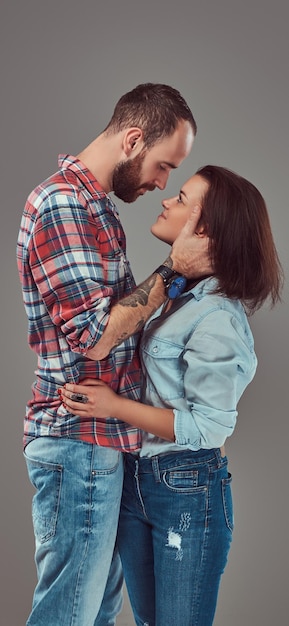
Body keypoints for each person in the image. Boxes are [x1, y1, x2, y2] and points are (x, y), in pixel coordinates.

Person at [16, 83, 212, 626]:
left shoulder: (95, 208)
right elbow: (95, 337)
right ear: (132, 139)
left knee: (94, 610)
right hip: (77, 440)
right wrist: (174, 269)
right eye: (164, 165)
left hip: (102, 439)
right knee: (70, 612)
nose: (162, 184)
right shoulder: (62, 204)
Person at [60, 165, 284, 626]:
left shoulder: (218, 317)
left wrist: (114, 407)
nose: (166, 200)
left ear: (206, 229)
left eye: (181, 199)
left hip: (187, 487)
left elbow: (209, 427)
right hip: (139, 478)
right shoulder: (178, 296)